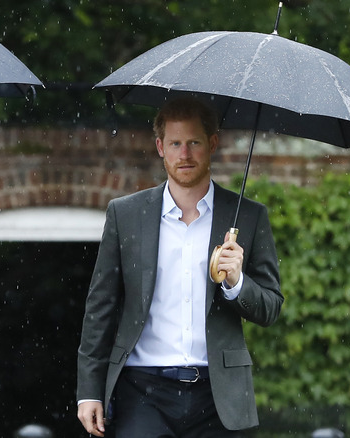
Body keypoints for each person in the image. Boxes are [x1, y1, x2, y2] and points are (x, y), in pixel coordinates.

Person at [76, 97, 283, 437]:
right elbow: (100, 308)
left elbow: (270, 307)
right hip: (142, 392)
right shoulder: (125, 215)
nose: (184, 154)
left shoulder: (248, 216)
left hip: (219, 395)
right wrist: (88, 391)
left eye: (194, 143)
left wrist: (236, 282)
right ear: (160, 147)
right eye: (175, 143)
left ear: (212, 144)